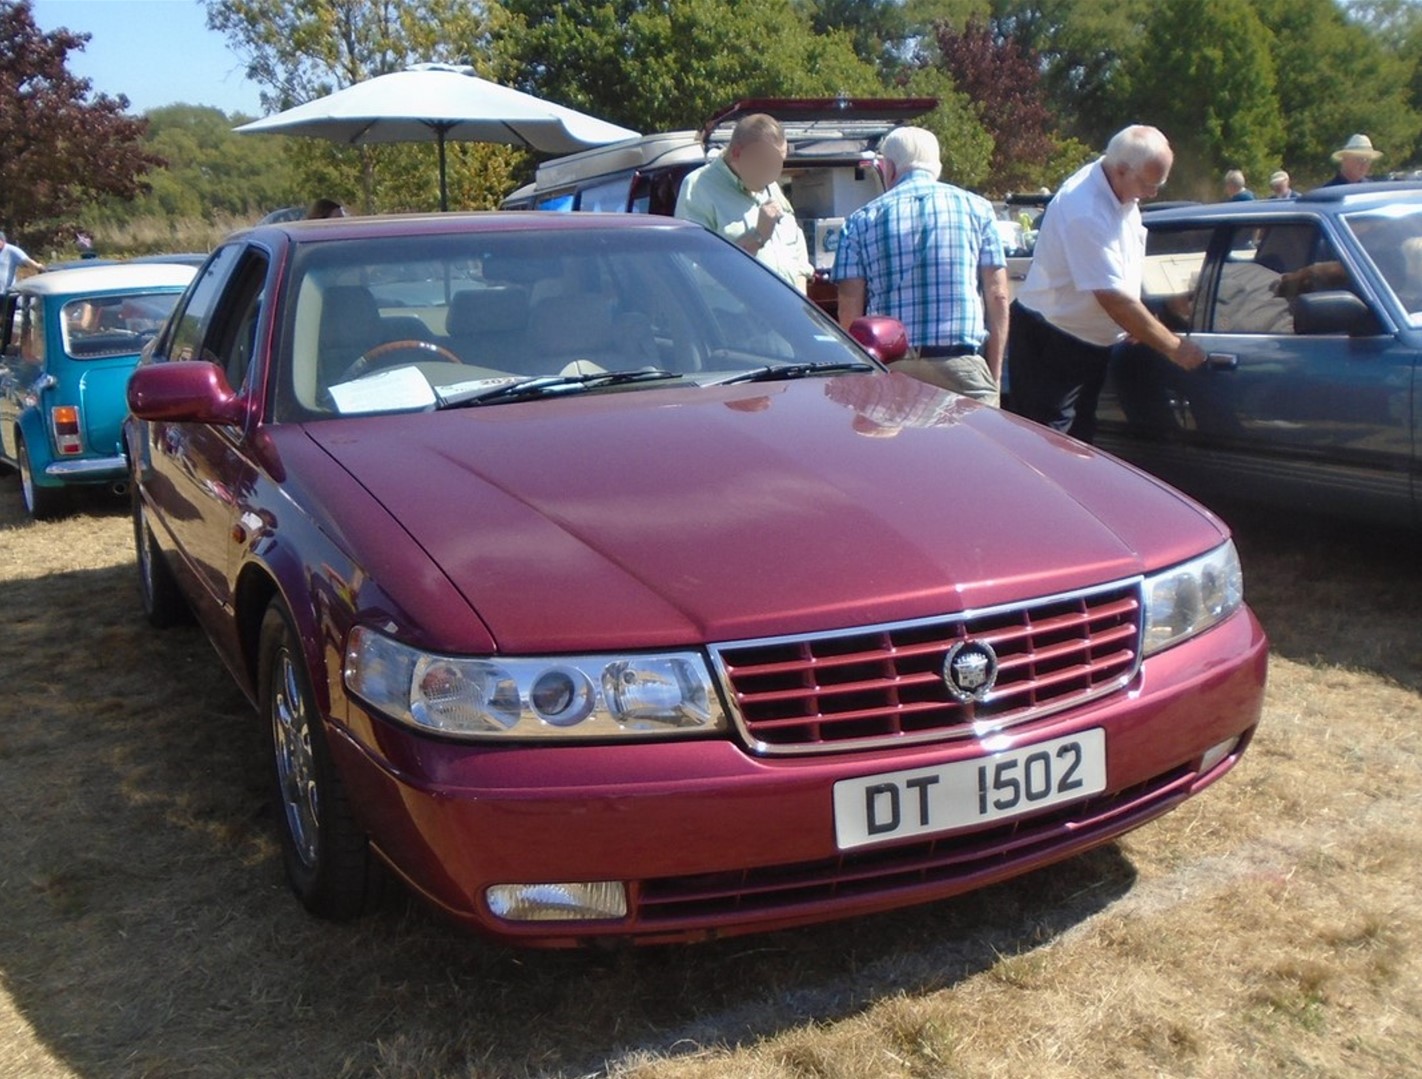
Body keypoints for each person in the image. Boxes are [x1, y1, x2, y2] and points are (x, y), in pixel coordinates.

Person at [1005, 125, 1206, 443]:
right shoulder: (1084, 208)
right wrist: (1174, 348)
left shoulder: (1119, 187)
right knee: (1051, 444)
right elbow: (1112, 298)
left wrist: (1141, 319)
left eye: (1159, 185)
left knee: (1082, 441)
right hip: (1053, 339)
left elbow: (1123, 269)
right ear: (1121, 170)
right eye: (1149, 184)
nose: (1153, 194)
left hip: (1088, 339)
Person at [832, 126, 1008, 406]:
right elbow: (998, 296)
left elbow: (849, 309)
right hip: (961, 366)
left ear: (889, 168)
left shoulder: (860, 220)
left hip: (892, 366)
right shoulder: (979, 209)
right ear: (936, 166)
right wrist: (994, 375)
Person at [675, 114, 813, 292]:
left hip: (786, 309)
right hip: (732, 310)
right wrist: (757, 237)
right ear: (736, 153)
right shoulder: (698, 187)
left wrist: (800, 300)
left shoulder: (771, 186)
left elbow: (797, 250)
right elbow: (696, 271)